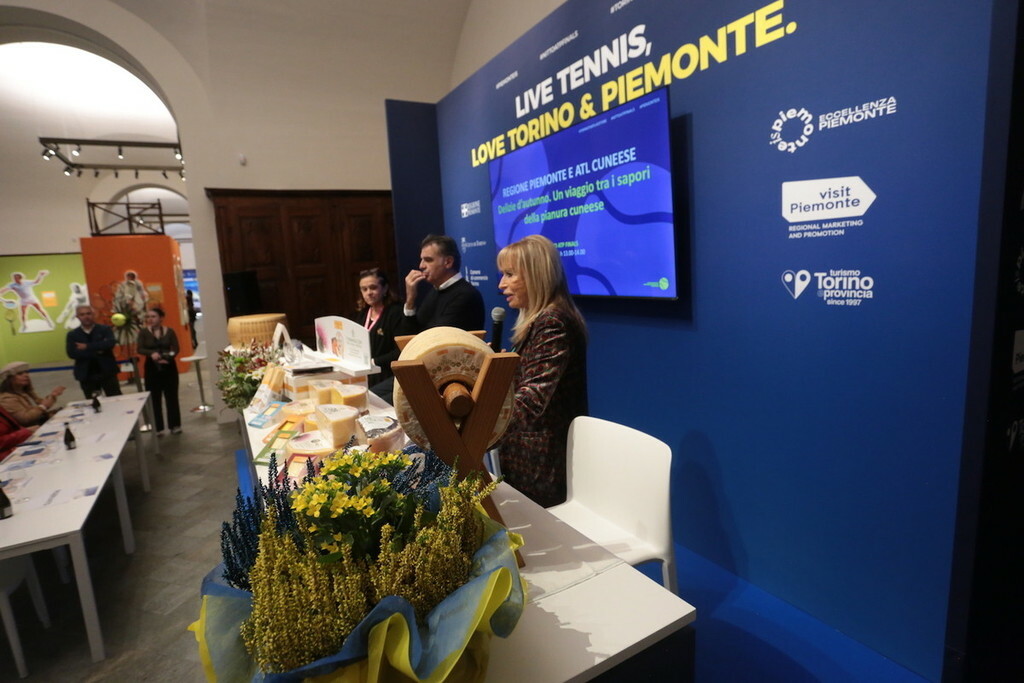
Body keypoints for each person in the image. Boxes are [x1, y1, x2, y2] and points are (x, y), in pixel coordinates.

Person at [495, 234, 588, 508]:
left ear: (536, 275)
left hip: (541, 462)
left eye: (509, 274)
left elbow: (532, 399)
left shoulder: (552, 322)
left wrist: (482, 428)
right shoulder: (543, 320)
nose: (501, 284)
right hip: (530, 457)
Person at [400, 234, 484, 334]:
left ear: (448, 262)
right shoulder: (435, 290)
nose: (421, 266)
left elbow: (436, 337)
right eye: (422, 260)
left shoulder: (466, 295)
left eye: (428, 260)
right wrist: (410, 300)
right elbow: (409, 335)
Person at [353, 268, 404, 390]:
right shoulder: (363, 313)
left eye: (373, 288)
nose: (368, 293)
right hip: (366, 372)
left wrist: (374, 361)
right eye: (364, 289)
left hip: (387, 374)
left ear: (385, 288)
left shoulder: (396, 312)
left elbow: (400, 350)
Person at [137, 306, 182, 435]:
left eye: (153, 316)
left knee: (171, 396)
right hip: (152, 368)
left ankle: (175, 425)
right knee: (154, 398)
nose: (150, 319)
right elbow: (140, 349)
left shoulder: (170, 331)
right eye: (148, 317)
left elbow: (176, 348)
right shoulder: (143, 332)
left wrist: (168, 357)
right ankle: (158, 427)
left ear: (161, 318)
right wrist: (151, 353)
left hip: (169, 366)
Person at [66, 304, 123, 398]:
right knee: (93, 401)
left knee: (116, 398)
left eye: (88, 313)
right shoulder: (72, 335)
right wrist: (98, 349)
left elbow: (109, 344)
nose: (86, 317)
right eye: (82, 314)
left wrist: (86, 347)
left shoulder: (105, 329)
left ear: (93, 314)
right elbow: (72, 353)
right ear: (77, 317)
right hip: (86, 374)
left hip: (107, 371)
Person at [0, 361, 66, 426]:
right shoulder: (6, 399)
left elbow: (41, 404)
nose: (26, 375)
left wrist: (53, 396)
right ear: (9, 379)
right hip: (31, 430)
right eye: (20, 374)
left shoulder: (25, 392)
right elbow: (25, 419)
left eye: (26, 372)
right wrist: (43, 406)